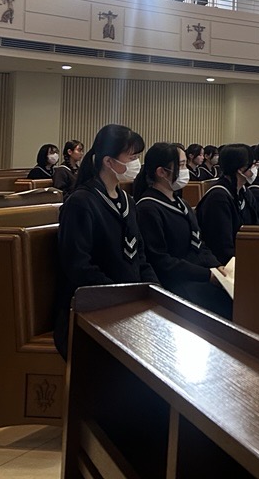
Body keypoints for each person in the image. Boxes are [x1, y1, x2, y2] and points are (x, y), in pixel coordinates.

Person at [53, 124, 153, 358]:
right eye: (131, 157)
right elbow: (78, 266)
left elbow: (140, 256)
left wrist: (156, 292)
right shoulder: (81, 202)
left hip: (127, 304)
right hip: (91, 310)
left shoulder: (127, 201)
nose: (136, 164)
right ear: (108, 161)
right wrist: (121, 297)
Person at [134, 142, 231, 319]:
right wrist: (207, 275)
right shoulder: (148, 208)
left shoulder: (182, 203)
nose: (185, 170)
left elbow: (199, 244)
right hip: (176, 281)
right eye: (181, 165)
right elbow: (161, 261)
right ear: (161, 172)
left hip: (197, 275)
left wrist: (217, 266)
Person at [198, 144, 254, 264]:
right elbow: (222, 247)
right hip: (226, 264)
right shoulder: (218, 198)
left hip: (246, 256)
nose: (254, 170)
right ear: (240, 169)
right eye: (252, 166)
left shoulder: (245, 192)